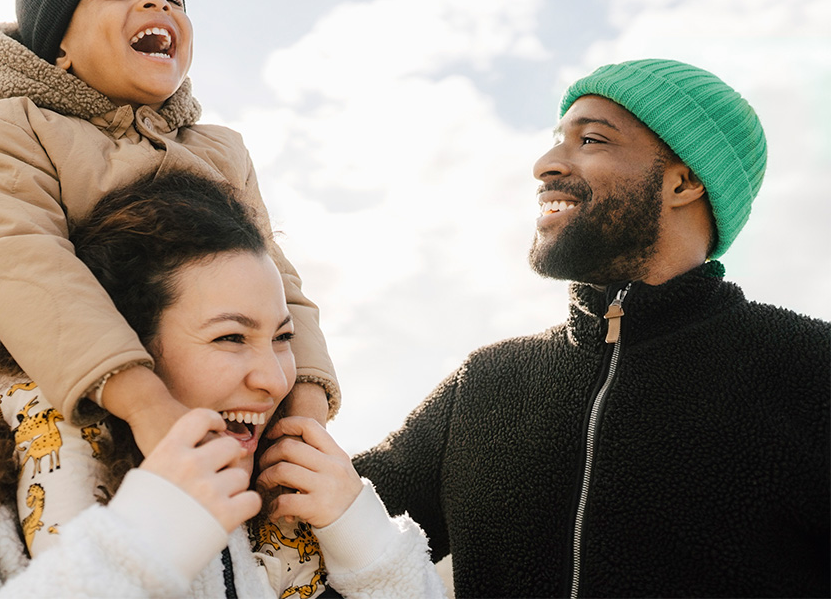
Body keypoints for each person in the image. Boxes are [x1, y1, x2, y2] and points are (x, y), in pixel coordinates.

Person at [354, 58, 830, 599]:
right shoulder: (485, 384)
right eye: (559, 139)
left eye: (592, 140)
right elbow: (310, 529)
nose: (545, 164)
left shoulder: (811, 369)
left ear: (685, 181)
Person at [0, 170, 445, 599]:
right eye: (229, 338)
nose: (273, 380)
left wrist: (369, 550)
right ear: (127, 343)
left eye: (282, 337)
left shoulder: (282, 511)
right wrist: (143, 545)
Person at [0, 0, 337, 472]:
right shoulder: (11, 129)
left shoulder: (220, 153)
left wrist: (306, 411)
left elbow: (276, 284)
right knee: (61, 459)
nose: (155, 0)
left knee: (287, 510)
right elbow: (21, 264)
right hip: (34, 367)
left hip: (200, 379)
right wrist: (144, 402)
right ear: (59, 43)